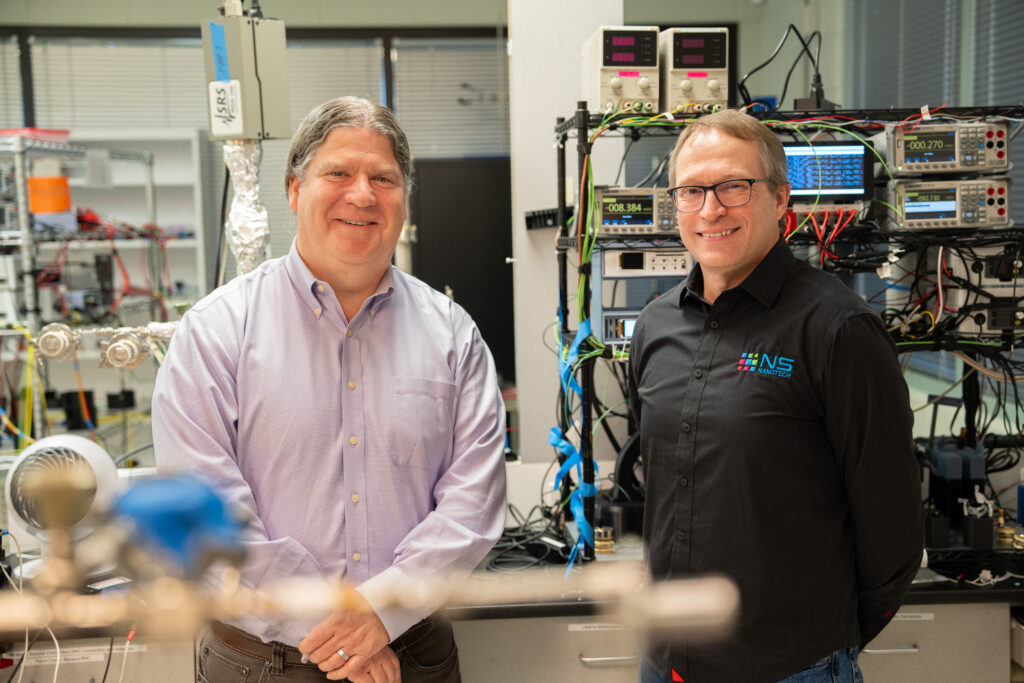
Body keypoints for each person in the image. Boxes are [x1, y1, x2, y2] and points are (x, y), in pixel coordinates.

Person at [152, 96, 508, 683]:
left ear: (403, 198)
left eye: (383, 178)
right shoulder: (216, 331)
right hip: (261, 661)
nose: (363, 195)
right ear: (295, 189)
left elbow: (474, 503)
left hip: (411, 654)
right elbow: (205, 513)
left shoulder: (453, 333)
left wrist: (379, 614)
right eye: (338, 173)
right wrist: (345, 634)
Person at [628, 109, 923, 683]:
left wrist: (822, 644)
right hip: (667, 663)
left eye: (734, 186)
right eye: (691, 191)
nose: (711, 209)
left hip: (790, 667)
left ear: (782, 197)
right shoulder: (654, 326)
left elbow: (893, 528)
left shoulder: (838, 330)